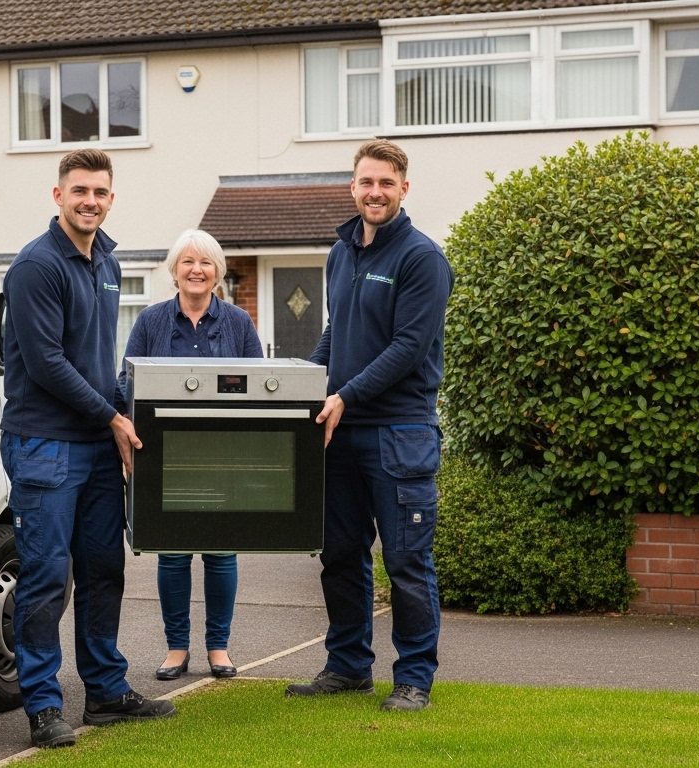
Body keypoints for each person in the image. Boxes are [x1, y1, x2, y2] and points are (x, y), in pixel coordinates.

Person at [0, 149, 176, 749]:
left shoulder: (108, 260)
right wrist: (111, 416)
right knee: (48, 577)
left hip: (97, 445)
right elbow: (48, 364)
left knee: (104, 570)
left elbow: (99, 360)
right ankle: (45, 704)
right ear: (57, 195)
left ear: (111, 197)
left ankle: (104, 691)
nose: (89, 201)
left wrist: (121, 416)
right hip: (44, 443)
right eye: (79, 191)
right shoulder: (34, 267)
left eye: (100, 192)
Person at [286, 139, 454, 712]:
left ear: (403, 188)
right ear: (352, 187)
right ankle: (349, 666)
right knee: (340, 555)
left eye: (386, 182)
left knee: (406, 561)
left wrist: (345, 395)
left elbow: (408, 347)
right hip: (342, 432)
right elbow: (337, 332)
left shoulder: (421, 258)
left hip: (398, 433)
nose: (375, 192)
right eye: (366, 182)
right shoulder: (341, 253)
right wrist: (309, 385)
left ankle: (414, 678)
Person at [117, 229, 262, 682]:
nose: (196, 270)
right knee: (174, 554)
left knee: (221, 553)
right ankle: (176, 648)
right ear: (174, 270)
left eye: (205, 263)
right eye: (187, 262)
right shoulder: (151, 322)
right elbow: (127, 385)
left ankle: (218, 647)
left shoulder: (238, 322)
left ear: (217, 271)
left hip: (224, 458)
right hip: (166, 457)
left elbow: (258, 387)